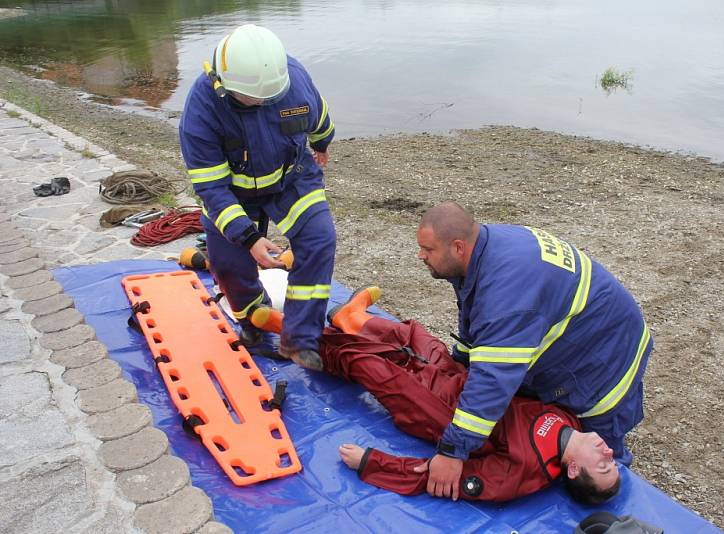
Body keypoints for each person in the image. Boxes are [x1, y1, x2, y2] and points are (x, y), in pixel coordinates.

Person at [253, 287, 621, 503]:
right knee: (415, 337)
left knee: (373, 366)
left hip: (441, 414)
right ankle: (352, 318)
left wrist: (372, 463)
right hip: (463, 383)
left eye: (603, 464)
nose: (608, 451)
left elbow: (447, 479)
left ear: (573, 470)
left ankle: (293, 335)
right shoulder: (571, 419)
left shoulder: (527, 471)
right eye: (612, 459)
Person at [415, 202, 652, 499]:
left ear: (458, 247)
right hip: (590, 332)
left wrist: (452, 452)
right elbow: (476, 316)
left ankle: (623, 514)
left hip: (608, 361)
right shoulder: (486, 250)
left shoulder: (506, 292)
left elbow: (494, 377)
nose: (421, 256)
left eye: (428, 249)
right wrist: (460, 361)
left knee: (600, 466)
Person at [179, 24, 336, 371]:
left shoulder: (292, 79)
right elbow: (211, 188)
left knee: (319, 239)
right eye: (253, 98)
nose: (263, 101)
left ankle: (300, 339)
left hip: (290, 178)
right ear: (223, 85)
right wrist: (249, 237)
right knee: (229, 264)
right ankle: (253, 317)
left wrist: (322, 144)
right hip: (234, 194)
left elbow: (319, 116)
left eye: (270, 96)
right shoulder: (202, 109)